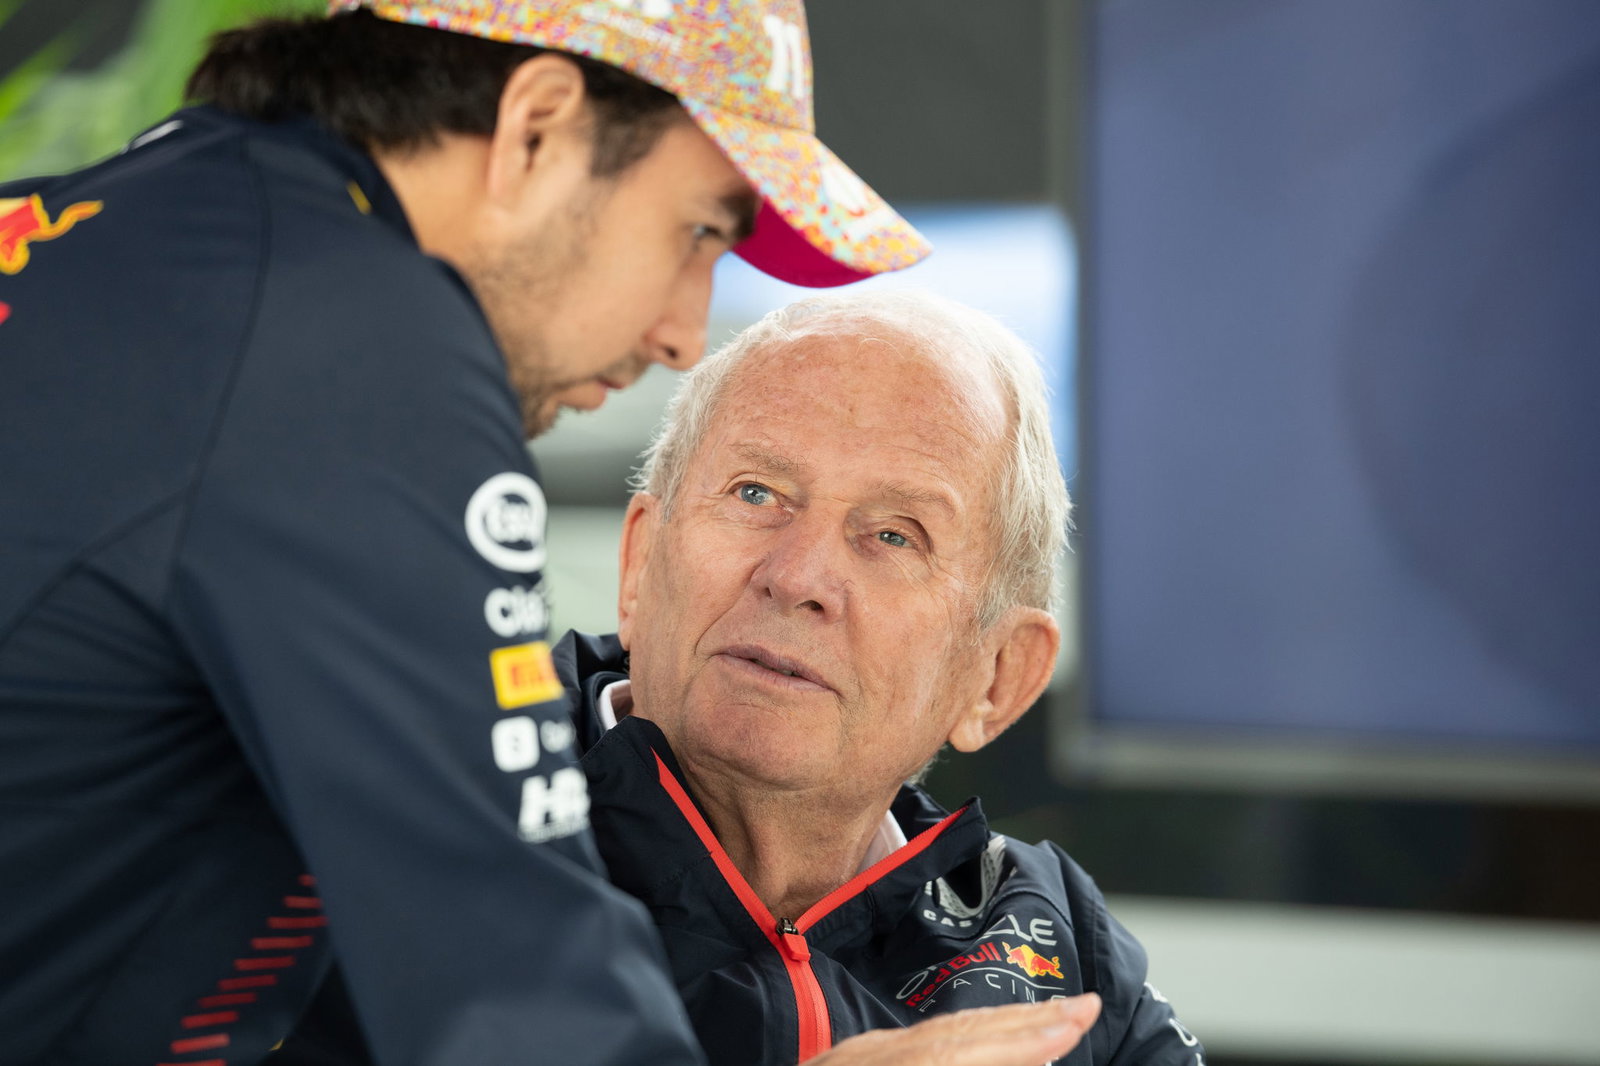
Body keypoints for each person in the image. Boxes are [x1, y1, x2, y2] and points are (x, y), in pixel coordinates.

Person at [1, 4, 1099, 1065]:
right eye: (698, 230)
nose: (680, 333)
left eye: (893, 536)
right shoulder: (350, 357)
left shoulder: (133, 232)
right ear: (533, 128)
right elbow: (512, 995)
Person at [549, 290, 1207, 1064]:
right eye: (755, 493)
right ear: (639, 565)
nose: (798, 578)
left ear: (998, 676)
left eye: (895, 536)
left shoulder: (1062, 955)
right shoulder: (449, 812)